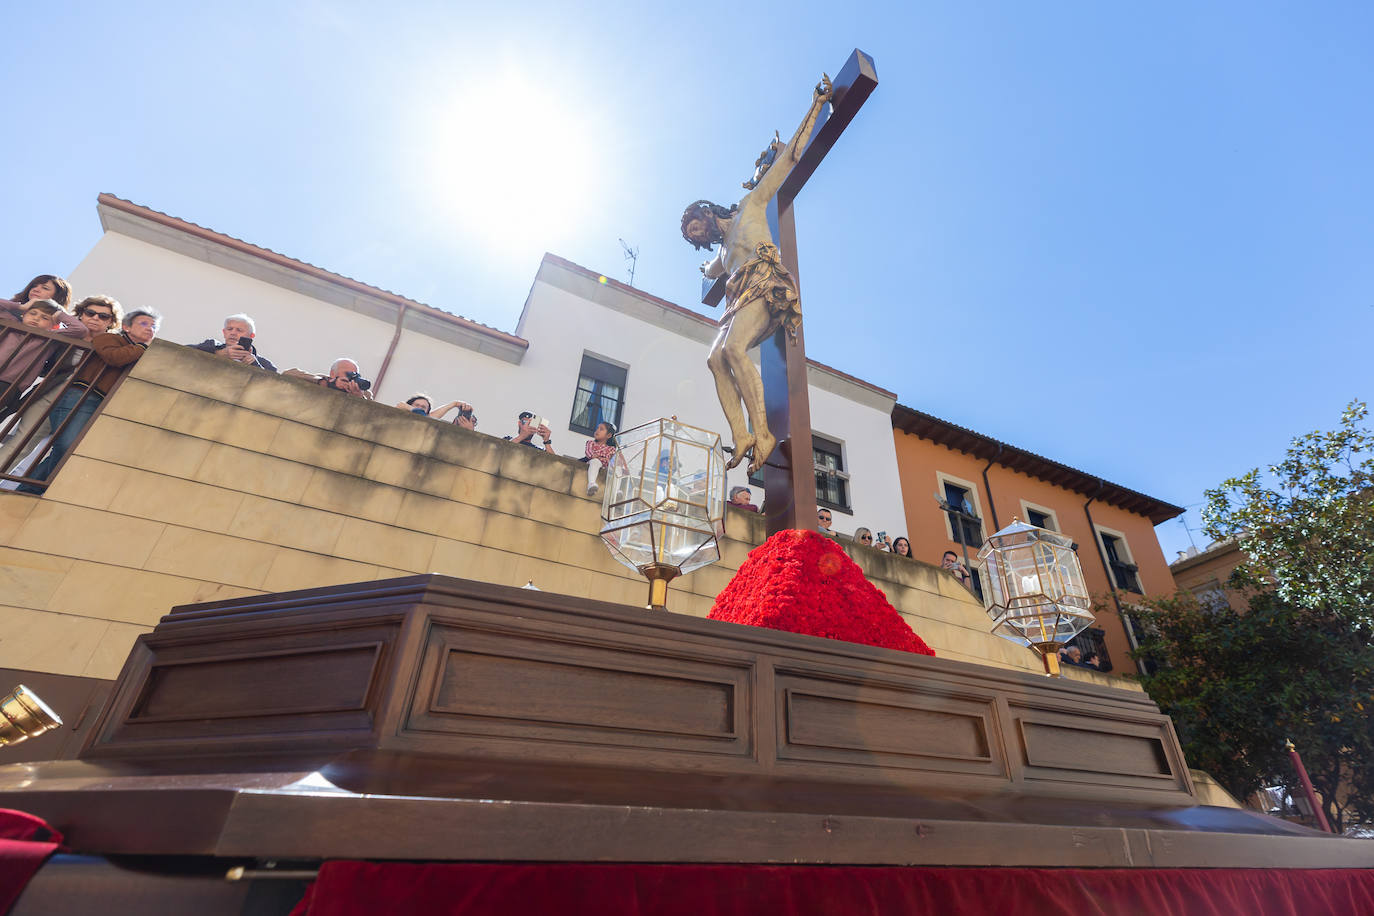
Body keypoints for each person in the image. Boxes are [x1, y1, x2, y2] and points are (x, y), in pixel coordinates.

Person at [682, 74, 833, 475]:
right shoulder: (719, 256)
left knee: (733, 350)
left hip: (765, 283)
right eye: (696, 237)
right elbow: (711, 270)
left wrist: (817, 105)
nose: (701, 235)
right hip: (737, 298)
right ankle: (742, 435)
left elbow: (790, 159)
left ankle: (762, 432)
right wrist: (707, 267)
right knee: (715, 358)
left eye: (699, 226)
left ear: (708, 211)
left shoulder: (751, 206)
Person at [19, 308, 161, 491]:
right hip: (82, 395)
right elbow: (114, 358)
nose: (150, 328)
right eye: (144, 323)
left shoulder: (145, 354)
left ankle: (30, 489)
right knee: (66, 444)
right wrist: (142, 346)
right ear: (126, 327)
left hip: (106, 405)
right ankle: (32, 488)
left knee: (70, 449)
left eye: (154, 326)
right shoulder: (109, 338)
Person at [0, 296, 120, 472]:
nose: (96, 318)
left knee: (64, 445)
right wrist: (23, 307)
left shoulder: (113, 346)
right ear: (81, 314)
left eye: (103, 316)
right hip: (50, 392)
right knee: (24, 438)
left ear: (111, 322)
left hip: (79, 400)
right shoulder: (63, 337)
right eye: (90, 313)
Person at [0, 300, 89, 413]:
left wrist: (58, 314)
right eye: (33, 313)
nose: (36, 318)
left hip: (11, 385)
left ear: (55, 325)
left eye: (45, 318)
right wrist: (21, 306)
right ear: (24, 314)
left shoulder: (50, 337)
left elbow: (81, 330)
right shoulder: (13, 325)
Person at [188, 313, 277, 372]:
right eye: (229, 329)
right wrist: (218, 353)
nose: (233, 333)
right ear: (224, 332)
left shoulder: (265, 364)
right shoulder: (210, 345)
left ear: (251, 336)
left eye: (239, 330)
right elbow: (180, 351)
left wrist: (254, 365)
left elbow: (273, 386)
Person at [284, 358, 374, 399]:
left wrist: (358, 397)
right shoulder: (322, 380)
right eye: (347, 374)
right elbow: (287, 374)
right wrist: (324, 383)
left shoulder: (365, 394)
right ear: (332, 374)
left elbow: (373, 415)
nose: (350, 378)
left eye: (355, 375)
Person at [582, 420, 617, 496]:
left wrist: (605, 460)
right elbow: (588, 452)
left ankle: (615, 490)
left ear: (609, 435)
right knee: (595, 462)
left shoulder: (611, 449)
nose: (597, 430)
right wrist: (594, 456)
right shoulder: (591, 443)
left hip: (605, 466)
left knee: (617, 469)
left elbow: (610, 460)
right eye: (597, 428)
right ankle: (591, 483)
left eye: (601, 429)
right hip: (594, 462)